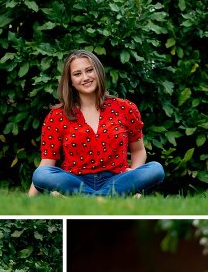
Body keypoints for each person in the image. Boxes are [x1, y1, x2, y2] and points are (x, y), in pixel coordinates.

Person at [28, 50, 165, 196]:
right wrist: (27, 204)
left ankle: (85, 199)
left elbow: (138, 150)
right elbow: (47, 164)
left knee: (156, 169)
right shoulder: (56, 116)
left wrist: (134, 175)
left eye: (89, 70)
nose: (85, 77)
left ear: (98, 72)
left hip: (117, 180)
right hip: (74, 181)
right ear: (71, 81)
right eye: (77, 74)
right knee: (41, 174)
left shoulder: (125, 108)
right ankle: (108, 199)